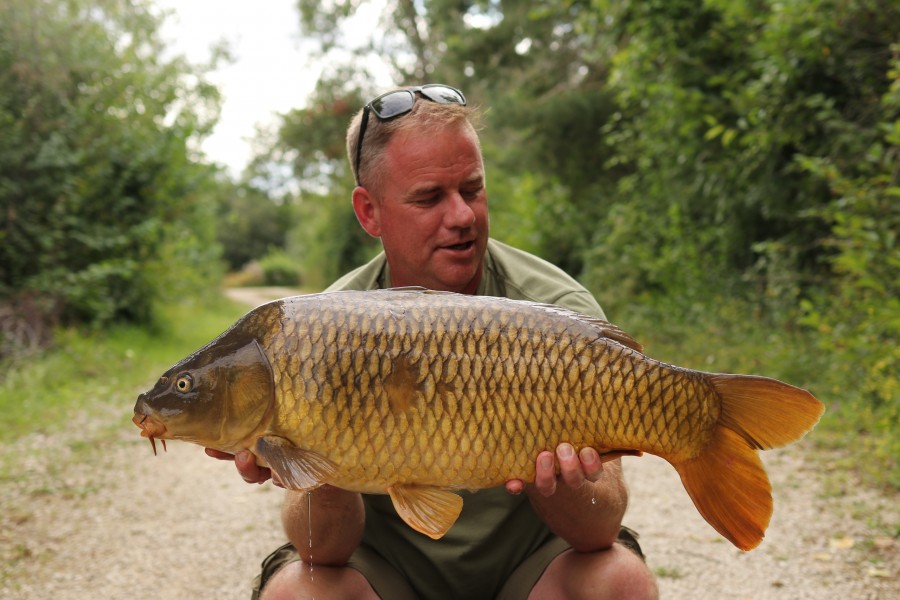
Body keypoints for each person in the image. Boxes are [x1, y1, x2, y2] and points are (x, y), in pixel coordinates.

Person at [209, 84, 658, 600]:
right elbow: (323, 552)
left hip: (532, 576)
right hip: (390, 579)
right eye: (428, 198)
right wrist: (316, 462)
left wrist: (557, 477)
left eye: (472, 189)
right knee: (296, 591)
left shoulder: (555, 314)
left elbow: (598, 530)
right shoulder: (313, 333)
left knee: (619, 581)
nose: (463, 216)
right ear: (369, 212)